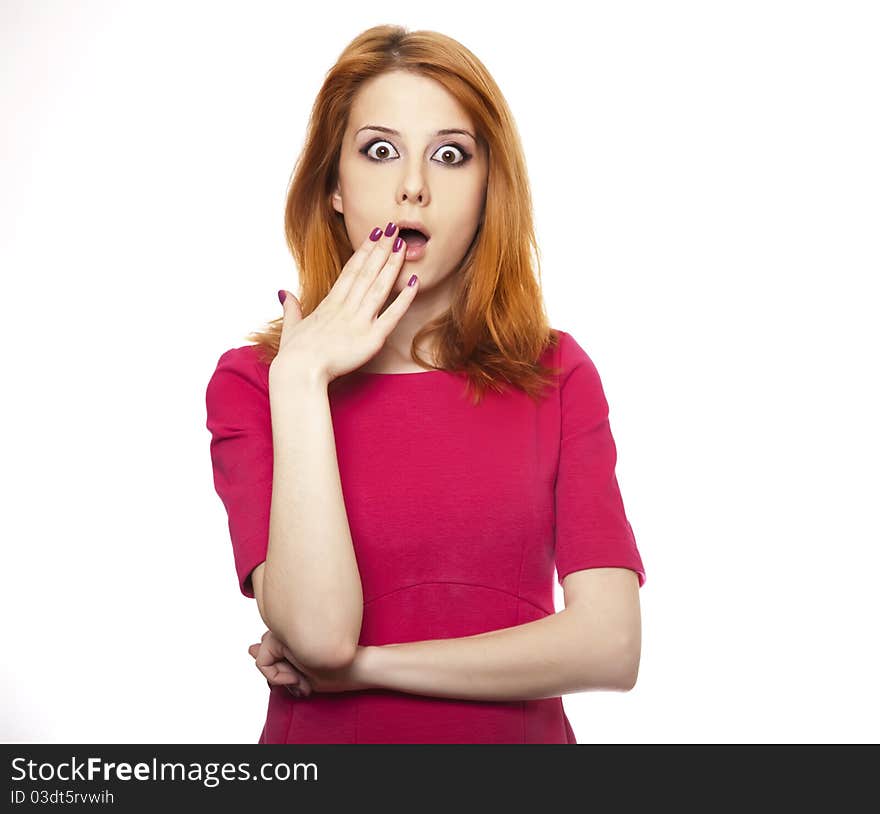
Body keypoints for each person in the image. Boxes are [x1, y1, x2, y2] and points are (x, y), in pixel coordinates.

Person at [205, 24, 646, 744]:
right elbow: (318, 635)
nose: (413, 185)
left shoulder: (555, 373)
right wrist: (304, 377)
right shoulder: (258, 384)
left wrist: (371, 668)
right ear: (335, 188)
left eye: (450, 155)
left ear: (485, 190)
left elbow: (611, 646)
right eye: (380, 151)